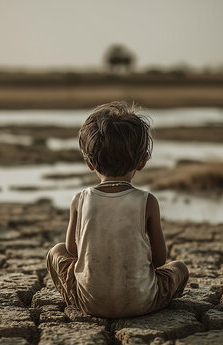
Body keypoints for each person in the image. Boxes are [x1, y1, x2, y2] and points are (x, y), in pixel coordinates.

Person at [46, 101, 189, 318]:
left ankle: (77, 297)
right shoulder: (147, 201)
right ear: (142, 162)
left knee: (55, 252)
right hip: (141, 304)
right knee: (179, 268)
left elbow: (72, 251)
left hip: (90, 305)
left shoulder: (80, 199)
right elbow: (160, 260)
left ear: (89, 163)